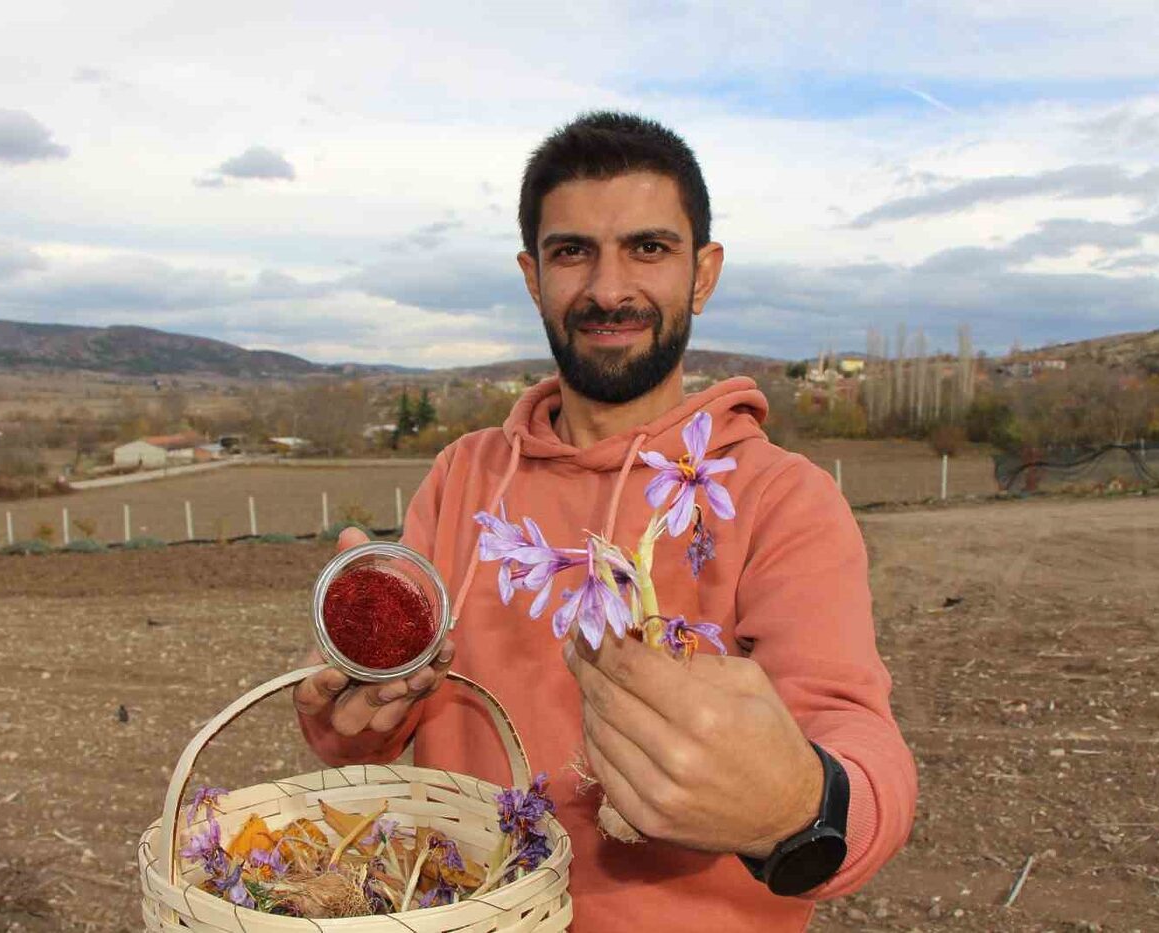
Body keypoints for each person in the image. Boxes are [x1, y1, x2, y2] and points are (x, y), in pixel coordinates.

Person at [295, 111, 916, 931]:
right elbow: (384, 718)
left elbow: (857, 740)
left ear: (703, 273)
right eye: (572, 251)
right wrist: (348, 712)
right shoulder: (464, 476)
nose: (609, 289)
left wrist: (804, 806)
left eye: (648, 248)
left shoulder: (779, 497)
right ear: (532, 276)